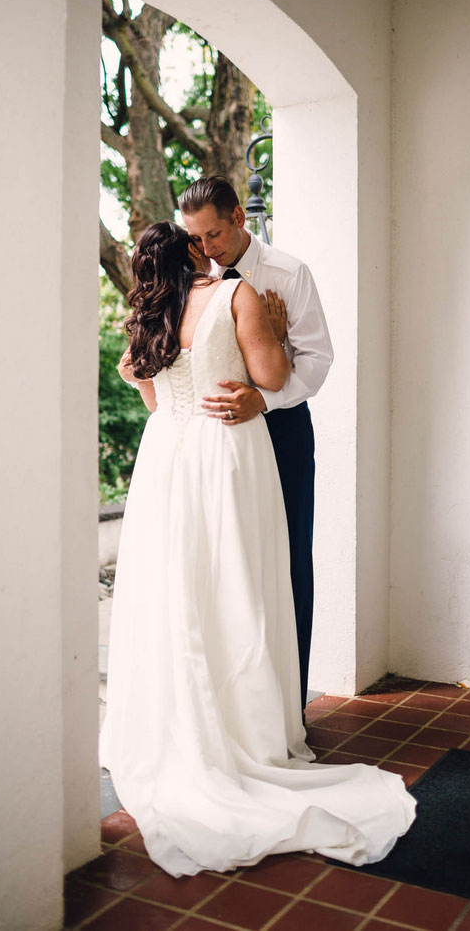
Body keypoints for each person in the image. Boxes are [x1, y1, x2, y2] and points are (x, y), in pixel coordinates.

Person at [99, 220, 415, 877]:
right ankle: (245, 731)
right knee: (236, 587)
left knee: (178, 595)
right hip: (227, 456)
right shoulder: (236, 293)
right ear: (192, 252)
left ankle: (182, 727)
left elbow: (155, 401)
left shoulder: (146, 319)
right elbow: (270, 378)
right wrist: (271, 328)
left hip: (167, 464)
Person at [178, 176, 331, 712]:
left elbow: (317, 360)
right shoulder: (196, 282)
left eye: (213, 235)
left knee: (288, 560)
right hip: (220, 439)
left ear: (240, 218)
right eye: (195, 238)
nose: (205, 249)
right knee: (228, 563)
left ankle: (288, 705)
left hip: (281, 431)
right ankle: (234, 706)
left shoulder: (288, 274)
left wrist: (264, 399)